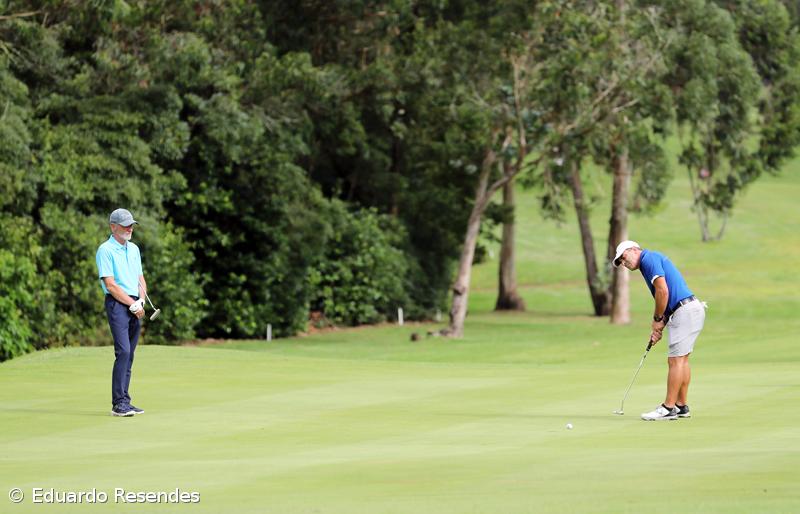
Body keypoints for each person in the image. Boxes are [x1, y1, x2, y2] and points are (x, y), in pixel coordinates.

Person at [613, 240, 706, 421]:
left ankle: (667, 408)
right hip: (689, 309)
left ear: (633, 250)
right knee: (682, 359)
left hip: (685, 311)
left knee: (675, 360)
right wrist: (661, 323)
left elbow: (662, 291)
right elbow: (666, 296)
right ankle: (681, 406)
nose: (624, 263)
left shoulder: (649, 258)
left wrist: (657, 319)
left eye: (623, 258)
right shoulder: (650, 262)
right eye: (620, 263)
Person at [96, 208, 148, 417]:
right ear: (113, 227)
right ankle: (118, 403)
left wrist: (142, 299)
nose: (129, 229)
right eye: (125, 225)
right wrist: (131, 304)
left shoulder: (134, 249)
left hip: (136, 303)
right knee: (123, 351)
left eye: (131, 225)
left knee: (130, 354)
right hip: (118, 304)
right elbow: (111, 285)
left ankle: (125, 400)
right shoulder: (105, 250)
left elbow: (140, 278)